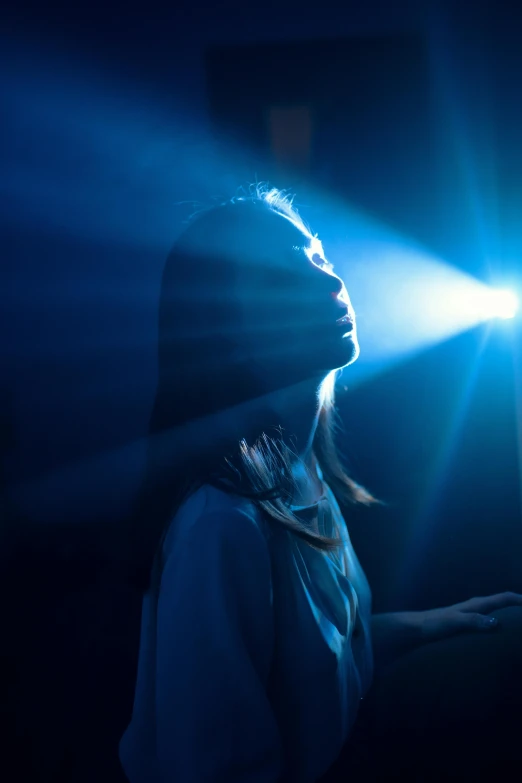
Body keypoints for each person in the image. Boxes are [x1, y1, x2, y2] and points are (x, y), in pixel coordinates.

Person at [118, 186, 522, 783]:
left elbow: (305, 671)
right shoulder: (221, 527)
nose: (330, 283)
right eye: (280, 280)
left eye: (319, 258)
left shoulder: (298, 473)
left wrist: (433, 623)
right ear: (223, 330)